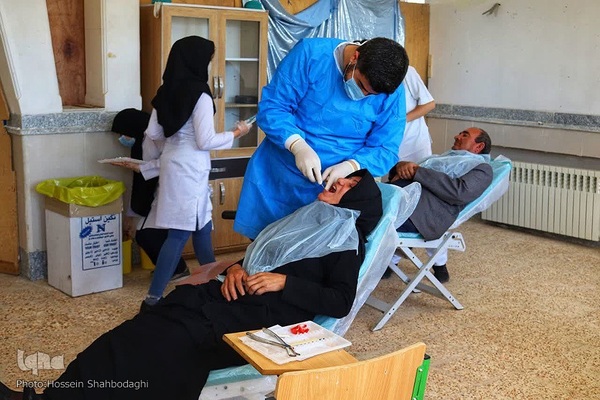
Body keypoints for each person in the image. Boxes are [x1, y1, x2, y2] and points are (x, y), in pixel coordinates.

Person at [0, 170, 383, 400]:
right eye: (346, 177)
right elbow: (260, 258)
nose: (339, 181)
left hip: (255, 324)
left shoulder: (345, 244)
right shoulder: (306, 222)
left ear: (355, 204)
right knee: (131, 335)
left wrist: (285, 282)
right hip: (223, 298)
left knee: (162, 348)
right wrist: (237, 269)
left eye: (349, 184)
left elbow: (340, 301)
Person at [234, 37, 409, 240]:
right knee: (265, 246)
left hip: (330, 193)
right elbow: (273, 107)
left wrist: (352, 165)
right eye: (361, 85)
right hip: (279, 179)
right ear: (355, 57)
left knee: (311, 254)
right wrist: (297, 145)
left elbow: (386, 149)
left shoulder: (392, 92)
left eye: (371, 95)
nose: (362, 95)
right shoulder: (311, 55)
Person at [141, 36, 251, 306]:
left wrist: (176, 144)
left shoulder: (165, 91)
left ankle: (214, 286)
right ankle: (152, 299)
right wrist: (237, 132)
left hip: (172, 164)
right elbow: (205, 141)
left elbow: (154, 132)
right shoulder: (201, 94)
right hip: (190, 168)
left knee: (202, 227)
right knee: (178, 234)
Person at [387, 127, 493, 282]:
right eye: (459, 132)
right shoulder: (440, 159)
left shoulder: (482, 169)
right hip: (400, 200)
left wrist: (417, 172)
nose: (456, 136)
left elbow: (460, 193)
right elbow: (411, 170)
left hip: (421, 214)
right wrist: (401, 166)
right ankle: (379, 263)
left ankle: (371, 267)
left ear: (479, 146)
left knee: (366, 219)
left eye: (465, 135)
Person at [110, 108, 188, 279]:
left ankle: (176, 269)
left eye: (124, 133)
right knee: (153, 234)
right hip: (162, 193)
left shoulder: (156, 139)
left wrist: (140, 168)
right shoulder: (141, 143)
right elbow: (140, 182)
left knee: (147, 234)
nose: (122, 138)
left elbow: (163, 165)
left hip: (173, 191)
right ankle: (171, 269)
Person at [397, 66, 435, 163]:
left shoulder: (406, 71)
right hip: (388, 144)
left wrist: (400, 121)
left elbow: (429, 104)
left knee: (417, 171)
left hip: (414, 143)